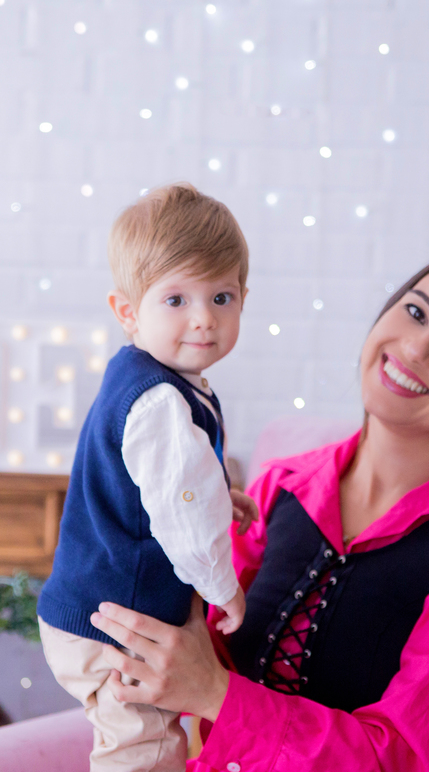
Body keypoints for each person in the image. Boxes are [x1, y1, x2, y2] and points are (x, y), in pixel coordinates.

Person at [90, 250, 429, 771]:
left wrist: (216, 694)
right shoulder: (282, 486)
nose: (415, 347)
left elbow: (402, 758)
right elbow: (203, 640)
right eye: (415, 312)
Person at [37, 183, 260, 771]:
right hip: (116, 625)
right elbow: (183, 506)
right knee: (143, 746)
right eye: (176, 300)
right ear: (128, 311)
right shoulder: (158, 399)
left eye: (222, 296)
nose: (204, 319)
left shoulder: (152, 376)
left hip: (96, 609)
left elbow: (165, 484)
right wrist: (223, 588)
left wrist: (220, 495)